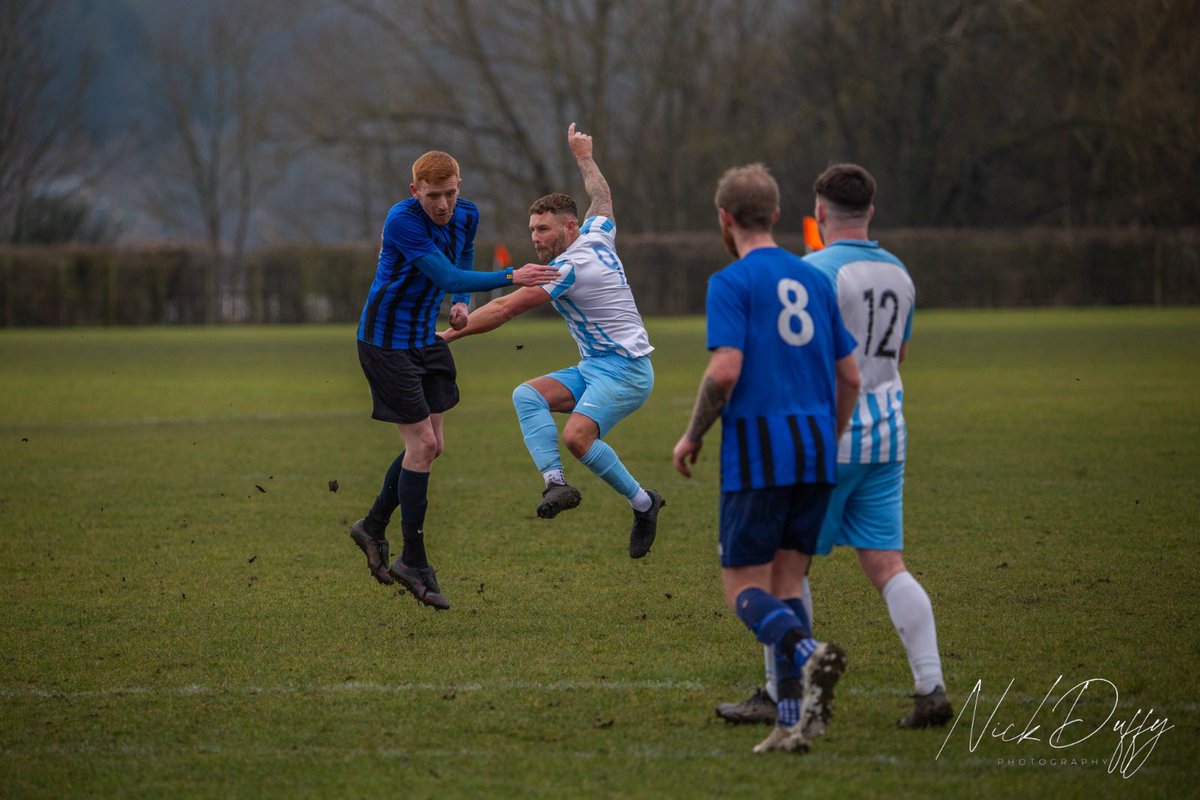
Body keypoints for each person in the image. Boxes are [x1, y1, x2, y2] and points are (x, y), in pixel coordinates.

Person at [715, 163, 953, 730]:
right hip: (890, 431)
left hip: (828, 433)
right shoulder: (900, 273)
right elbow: (898, 358)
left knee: (783, 572)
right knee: (887, 564)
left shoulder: (810, 272)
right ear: (870, 211)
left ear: (818, 213)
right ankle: (931, 685)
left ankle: (785, 693)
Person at [672, 163, 861, 754]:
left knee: (742, 590)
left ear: (724, 219)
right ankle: (789, 723)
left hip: (759, 453)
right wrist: (829, 434)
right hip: (815, 450)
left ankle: (810, 654)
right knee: (785, 588)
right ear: (778, 216)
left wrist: (692, 435)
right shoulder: (814, 279)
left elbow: (725, 370)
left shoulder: (731, 281)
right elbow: (849, 375)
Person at [440, 124, 665, 558]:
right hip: (595, 367)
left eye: (543, 229)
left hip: (629, 370)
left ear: (569, 226)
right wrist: (584, 155)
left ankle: (643, 503)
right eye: (531, 230)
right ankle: (555, 485)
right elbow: (602, 197)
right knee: (527, 395)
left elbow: (505, 308)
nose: (536, 237)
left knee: (578, 437)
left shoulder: (570, 266)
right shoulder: (599, 234)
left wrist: (447, 336)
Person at [349, 150, 558, 610]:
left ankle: (371, 526)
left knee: (432, 447)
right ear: (414, 192)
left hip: (425, 339)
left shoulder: (467, 213)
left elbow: (460, 264)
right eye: (432, 196)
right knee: (422, 446)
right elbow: (442, 273)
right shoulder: (401, 221)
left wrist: (462, 302)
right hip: (385, 343)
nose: (442, 205)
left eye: (450, 193)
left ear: (459, 187)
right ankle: (415, 562)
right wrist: (510, 275)